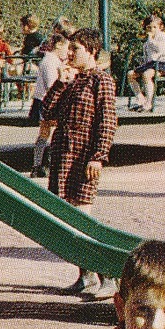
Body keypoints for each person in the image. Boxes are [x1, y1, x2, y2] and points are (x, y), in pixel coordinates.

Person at [42, 28, 118, 298]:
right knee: (68, 220)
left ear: (92, 52)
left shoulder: (102, 81)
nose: (70, 54)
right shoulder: (71, 80)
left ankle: (108, 275)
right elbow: (46, 112)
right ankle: (86, 277)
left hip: (84, 157)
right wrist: (60, 83)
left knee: (83, 218)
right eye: (70, 48)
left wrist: (98, 156)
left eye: (77, 49)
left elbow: (107, 122)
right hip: (63, 154)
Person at [29, 32, 71, 178]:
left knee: (45, 132)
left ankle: (39, 163)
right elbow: (51, 84)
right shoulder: (50, 61)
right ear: (59, 45)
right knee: (52, 131)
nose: (68, 51)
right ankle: (42, 163)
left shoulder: (51, 60)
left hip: (44, 99)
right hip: (46, 100)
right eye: (67, 47)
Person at [126, 13, 165, 112]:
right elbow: (148, 56)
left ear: (160, 27)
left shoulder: (163, 36)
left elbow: (160, 49)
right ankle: (140, 97)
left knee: (147, 75)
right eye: (149, 27)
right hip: (153, 64)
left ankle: (149, 102)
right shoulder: (146, 43)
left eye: (154, 27)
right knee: (130, 74)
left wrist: (150, 39)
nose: (152, 30)